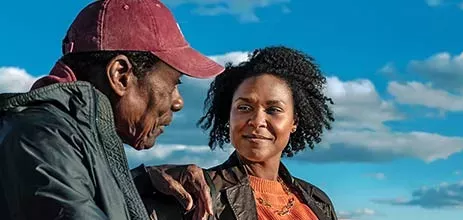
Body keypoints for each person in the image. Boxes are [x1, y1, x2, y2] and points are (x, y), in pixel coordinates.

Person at [0, 0, 221, 219]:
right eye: (174, 83)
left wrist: (143, 182)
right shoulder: (40, 139)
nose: (178, 102)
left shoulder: (58, 137)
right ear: (120, 75)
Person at [140, 46, 338, 220]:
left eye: (273, 110)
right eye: (244, 108)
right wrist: (144, 179)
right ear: (229, 116)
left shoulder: (317, 202)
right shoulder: (196, 192)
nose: (257, 121)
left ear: (294, 121)